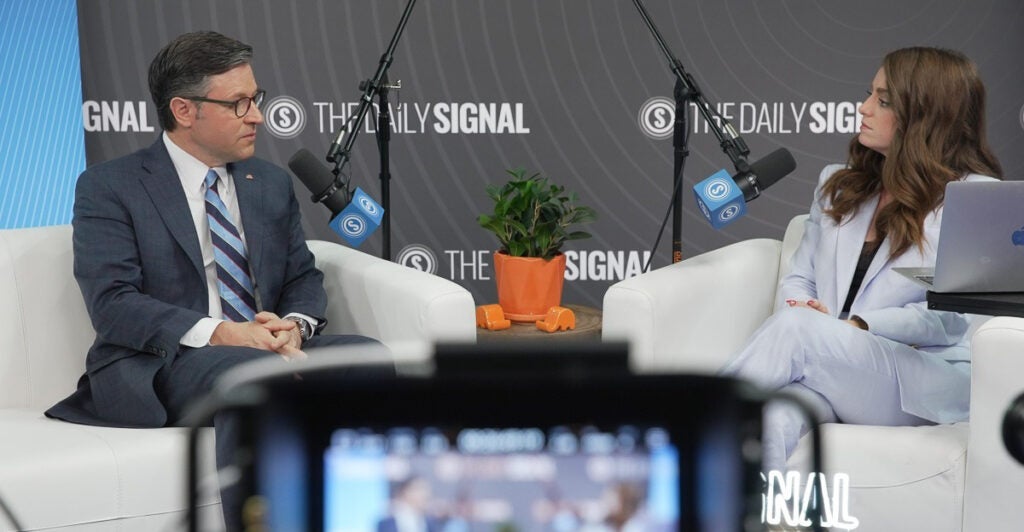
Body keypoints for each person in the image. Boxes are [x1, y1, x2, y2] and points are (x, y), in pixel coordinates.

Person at [44, 31, 386, 529]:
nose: (258, 116)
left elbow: (301, 276)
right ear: (184, 111)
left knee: (368, 358)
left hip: (263, 349)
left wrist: (293, 326)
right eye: (239, 103)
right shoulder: (110, 187)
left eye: (256, 98)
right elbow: (113, 303)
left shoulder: (267, 182)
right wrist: (225, 334)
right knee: (246, 371)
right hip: (164, 364)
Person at [721, 47, 1003, 472]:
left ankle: (678, 429)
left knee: (798, 332)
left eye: (884, 100)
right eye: (869, 94)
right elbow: (800, 279)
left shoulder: (976, 198)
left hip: (922, 379)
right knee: (772, 418)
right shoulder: (838, 185)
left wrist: (852, 327)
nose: (864, 108)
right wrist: (807, 311)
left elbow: (951, 319)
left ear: (924, 117)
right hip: (834, 366)